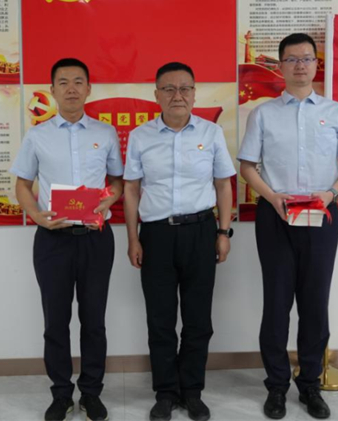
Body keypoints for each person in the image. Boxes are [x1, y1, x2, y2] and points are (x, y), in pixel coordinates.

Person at [238, 34, 338, 420]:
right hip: (276, 216)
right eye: (291, 59)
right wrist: (272, 196)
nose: (300, 65)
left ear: (316, 64)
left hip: (321, 216)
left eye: (306, 58)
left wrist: (330, 193)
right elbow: (247, 167)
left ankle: (310, 384)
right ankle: (276, 386)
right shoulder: (263, 114)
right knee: (276, 304)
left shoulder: (336, 112)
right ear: (280, 66)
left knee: (314, 303)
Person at [10, 58, 123, 421]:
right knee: (55, 321)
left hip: (95, 238)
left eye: (78, 81)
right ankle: (61, 394)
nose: (71, 88)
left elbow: (117, 181)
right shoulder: (37, 135)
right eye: (63, 82)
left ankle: (91, 392)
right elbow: (22, 185)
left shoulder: (105, 133)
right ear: (53, 90)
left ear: (89, 88)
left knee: (94, 320)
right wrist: (35, 214)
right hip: (52, 240)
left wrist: (109, 199)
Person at [123, 62, 236, 421]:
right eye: (169, 89)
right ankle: (165, 393)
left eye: (185, 88)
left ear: (194, 93)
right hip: (156, 235)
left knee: (198, 319)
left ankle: (192, 391)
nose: (177, 95)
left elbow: (223, 185)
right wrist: (133, 238)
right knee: (160, 320)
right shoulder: (140, 136)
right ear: (156, 95)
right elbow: (131, 189)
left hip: (201, 232)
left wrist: (223, 232)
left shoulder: (211, 133)